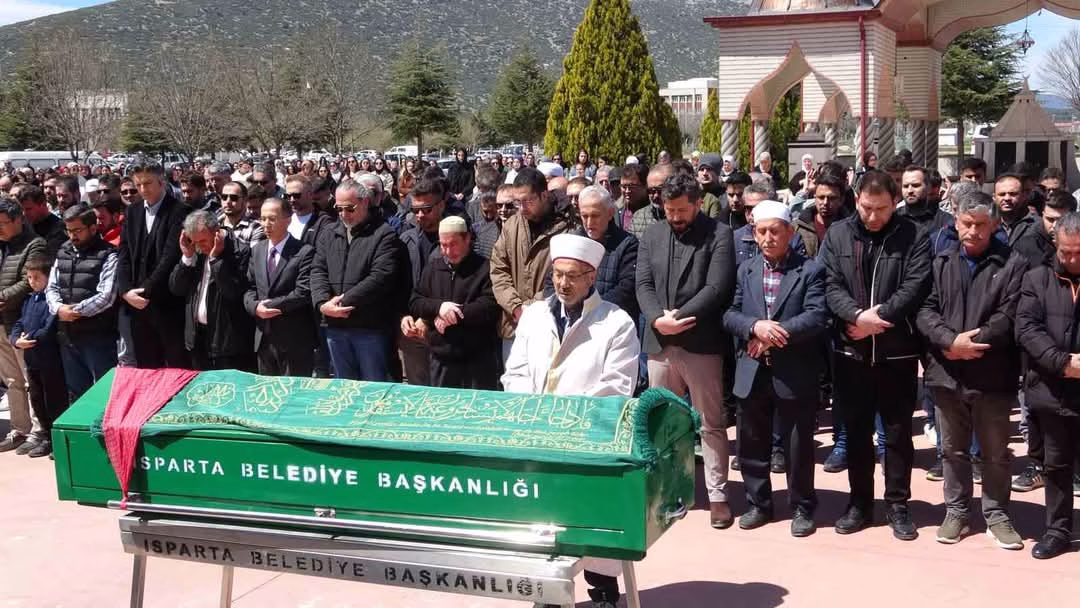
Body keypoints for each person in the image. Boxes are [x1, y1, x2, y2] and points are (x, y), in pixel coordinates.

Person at [819, 169, 931, 540]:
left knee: (898, 433)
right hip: (850, 351)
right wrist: (854, 317)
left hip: (896, 351)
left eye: (881, 209)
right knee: (856, 431)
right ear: (856, 199)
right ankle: (860, 503)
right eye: (867, 207)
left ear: (894, 202)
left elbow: (916, 285)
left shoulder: (912, 235)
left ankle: (898, 504)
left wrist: (877, 318)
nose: (872, 216)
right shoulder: (838, 234)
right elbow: (830, 283)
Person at [916, 190, 1027, 549]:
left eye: (982, 225)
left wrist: (972, 343)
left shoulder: (1014, 264)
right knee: (953, 450)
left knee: (995, 452)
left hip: (992, 373)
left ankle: (996, 514)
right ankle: (957, 511)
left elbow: (1009, 315)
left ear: (994, 225)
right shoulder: (940, 261)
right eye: (967, 224)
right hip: (947, 372)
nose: (974, 231)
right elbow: (924, 311)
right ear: (956, 223)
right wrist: (950, 342)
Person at [636, 172, 736, 529]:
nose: (675, 216)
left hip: (700, 340)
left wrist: (679, 316)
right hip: (660, 340)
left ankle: (718, 494)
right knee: (665, 424)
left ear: (697, 203)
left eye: (681, 210)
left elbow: (717, 286)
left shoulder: (719, 234)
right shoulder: (652, 233)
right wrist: (655, 319)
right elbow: (643, 282)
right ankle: (670, 491)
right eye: (669, 208)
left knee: (710, 422)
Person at [722, 200, 827, 536]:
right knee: (751, 441)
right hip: (752, 370)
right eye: (761, 231)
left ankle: (802, 507)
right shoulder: (746, 270)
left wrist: (771, 336)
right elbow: (730, 314)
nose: (768, 238)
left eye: (775, 231)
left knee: (798, 445)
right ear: (754, 233)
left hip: (793, 371)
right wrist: (754, 327)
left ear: (790, 233)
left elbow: (816, 316)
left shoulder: (810, 270)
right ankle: (759, 503)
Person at [1015, 211, 1080, 559]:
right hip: (1052, 390)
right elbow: (1026, 328)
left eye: (1078, 253)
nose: (1070, 259)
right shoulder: (1037, 278)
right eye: (1065, 252)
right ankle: (1058, 529)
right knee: (1056, 465)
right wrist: (1063, 363)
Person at [310, 180, 407, 381]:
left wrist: (342, 302)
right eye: (339, 209)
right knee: (343, 388)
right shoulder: (329, 233)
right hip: (334, 326)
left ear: (364, 202)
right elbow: (317, 270)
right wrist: (322, 303)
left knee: (373, 388)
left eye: (350, 208)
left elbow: (380, 277)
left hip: (369, 328)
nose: (344, 214)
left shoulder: (383, 234)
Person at [406, 216, 500, 389]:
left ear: (467, 239)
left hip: (477, 361)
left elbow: (489, 306)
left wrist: (454, 315)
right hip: (442, 359)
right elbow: (416, 301)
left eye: (453, 244)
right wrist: (439, 308)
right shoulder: (434, 267)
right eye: (443, 245)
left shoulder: (484, 268)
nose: (448, 251)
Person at [489, 167, 571, 361]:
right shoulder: (512, 225)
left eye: (528, 201)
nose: (522, 208)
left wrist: (531, 310)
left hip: (551, 326)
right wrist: (516, 308)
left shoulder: (567, 228)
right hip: (513, 324)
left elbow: (562, 278)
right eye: (518, 202)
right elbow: (498, 270)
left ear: (544, 195)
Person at [117, 163, 191, 369]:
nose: (142, 189)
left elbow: (170, 256)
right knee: (146, 368)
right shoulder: (133, 211)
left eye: (147, 183)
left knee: (176, 366)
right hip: (136, 307)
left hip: (166, 304)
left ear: (162, 182)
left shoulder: (179, 211)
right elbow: (123, 252)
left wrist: (146, 291)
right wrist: (125, 291)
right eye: (138, 184)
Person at [46, 204, 119, 400]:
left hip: (98, 336)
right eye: (68, 231)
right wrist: (59, 308)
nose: (72, 236)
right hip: (68, 336)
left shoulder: (109, 254)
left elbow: (106, 296)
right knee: (77, 394)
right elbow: (51, 287)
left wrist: (75, 312)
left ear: (93, 228)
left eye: (77, 230)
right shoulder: (64, 252)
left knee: (104, 393)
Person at [169, 210, 254, 372]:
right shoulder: (195, 251)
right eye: (194, 242)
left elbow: (232, 291)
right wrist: (187, 257)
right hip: (197, 338)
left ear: (216, 232)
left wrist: (216, 259)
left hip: (226, 342)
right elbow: (176, 288)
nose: (199, 246)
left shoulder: (239, 251)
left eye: (202, 241)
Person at [244, 197, 317, 377]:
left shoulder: (304, 251)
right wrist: (255, 306)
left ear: (288, 220)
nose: (266, 224)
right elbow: (249, 287)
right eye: (263, 218)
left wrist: (270, 305)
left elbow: (303, 292)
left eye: (272, 219)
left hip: (294, 340)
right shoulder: (257, 250)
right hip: (264, 338)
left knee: (294, 397)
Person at [0, 199, 47, 453]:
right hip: (1, 323)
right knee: (11, 379)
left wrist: (4, 297)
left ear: (19, 219)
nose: (0, 228)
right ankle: (19, 428)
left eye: (3, 223)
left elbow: (29, 281)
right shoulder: (2, 245)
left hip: (22, 320)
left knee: (31, 379)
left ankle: (40, 431)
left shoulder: (35, 244)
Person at [9, 256, 67, 458]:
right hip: (32, 361)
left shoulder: (51, 300)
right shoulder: (28, 300)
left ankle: (54, 439)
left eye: (36, 277)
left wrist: (30, 339)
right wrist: (16, 339)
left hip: (49, 360)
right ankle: (43, 433)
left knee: (53, 400)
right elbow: (19, 323)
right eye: (29, 278)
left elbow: (48, 328)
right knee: (36, 399)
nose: (32, 282)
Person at [397, 177, 447, 386]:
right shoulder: (406, 239)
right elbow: (398, 285)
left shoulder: (458, 240)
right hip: (412, 332)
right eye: (415, 210)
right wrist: (403, 316)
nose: (419, 215)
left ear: (441, 205)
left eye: (426, 209)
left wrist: (427, 320)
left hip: (444, 332)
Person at [792, 169, 848, 258]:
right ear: (815, 197)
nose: (825, 202)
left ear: (841, 200)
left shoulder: (850, 228)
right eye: (821, 197)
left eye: (831, 198)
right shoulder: (799, 227)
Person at [284, 175, 335, 247]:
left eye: (296, 195)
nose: (292, 200)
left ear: (310, 195)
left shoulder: (323, 222)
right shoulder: (283, 218)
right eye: (288, 196)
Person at [14, 185, 66, 256]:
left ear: (43, 204)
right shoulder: (23, 226)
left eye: (28, 209)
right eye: (21, 209)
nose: (24, 213)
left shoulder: (59, 228)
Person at [629, 163, 674, 239]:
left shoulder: (684, 216)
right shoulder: (638, 217)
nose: (655, 196)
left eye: (660, 190)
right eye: (651, 191)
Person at [994, 173, 1037, 246]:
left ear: (1023, 196)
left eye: (1013, 194)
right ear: (994, 198)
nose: (1007, 198)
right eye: (1002, 194)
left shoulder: (1036, 225)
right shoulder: (987, 226)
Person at [219, 181, 264, 249]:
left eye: (234, 198)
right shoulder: (214, 224)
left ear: (245, 200)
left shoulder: (256, 227)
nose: (228, 201)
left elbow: (254, 257)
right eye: (224, 197)